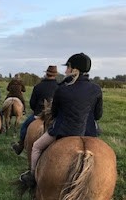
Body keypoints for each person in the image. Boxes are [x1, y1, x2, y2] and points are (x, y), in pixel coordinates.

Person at [20, 53, 103, 188]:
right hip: (87, 132)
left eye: (67, 67)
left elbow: (54, 113)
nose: (65, 70)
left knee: (36, 147)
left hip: (64, 131)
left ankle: (32, 176)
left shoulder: (62, 88)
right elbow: (98, 115)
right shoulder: (96, 89)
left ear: (73, 69)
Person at [11, 65, 59, 155]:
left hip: (39, 114)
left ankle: (20, 146)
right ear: (55, 75)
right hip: (54, 116)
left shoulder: (38, 86)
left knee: (24, 126)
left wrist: (37, 110)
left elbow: (32, 103)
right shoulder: (59, 87)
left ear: (46, 74)